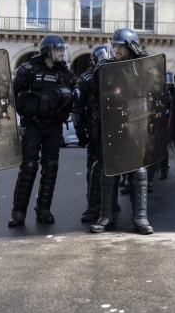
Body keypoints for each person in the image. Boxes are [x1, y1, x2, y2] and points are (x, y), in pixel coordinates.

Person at [88, 28, 153, 235]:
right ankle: (107, 216)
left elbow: (154, 93)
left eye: (119, 46)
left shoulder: (143, 68)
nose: (115, 49)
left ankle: (140, 218)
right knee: (110, 170)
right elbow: (95, 95)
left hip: (136, 126)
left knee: (139, 171)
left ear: (130, 47)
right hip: (113, 125)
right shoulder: (105, 68)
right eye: (114, 45)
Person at [8, 35, 76, 227]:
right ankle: (18, 212)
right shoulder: (27, 70)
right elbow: (10, 93)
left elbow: (75, 100)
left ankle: (44, 209)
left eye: (63, 49)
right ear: (47, 50)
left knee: (51, 167)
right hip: (33, 126)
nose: (62, 53)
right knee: (28, 167)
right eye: (58, 49)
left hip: (54, 126)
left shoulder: (67, 75)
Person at [72, 44, 108, 222]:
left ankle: (110, 204)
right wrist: (80, 130)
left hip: (114, 129)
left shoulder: (117, 75)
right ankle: (92, 205)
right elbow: (78, 106)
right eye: (100, 56)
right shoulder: (86, 79)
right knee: (93, 168)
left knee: (113, 169)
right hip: (95, 130)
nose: (104, 58)